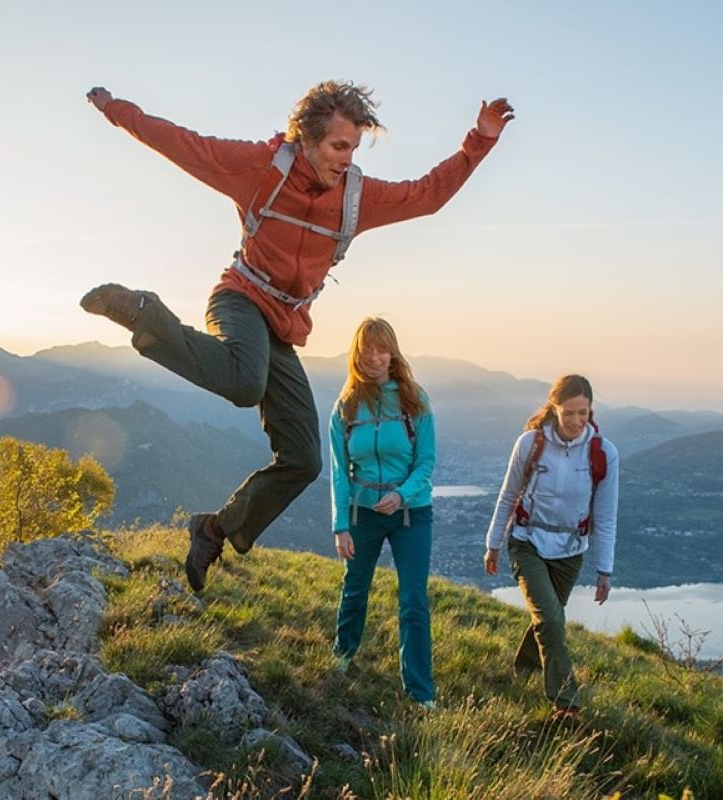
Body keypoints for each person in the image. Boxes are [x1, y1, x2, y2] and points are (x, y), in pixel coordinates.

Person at [80, 81, 514, 592]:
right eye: (338, 147)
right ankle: (144, 313)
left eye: (353, 147)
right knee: (244, 383)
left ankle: (214, 529)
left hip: (282, 324)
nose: (347, 159)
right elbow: (180, 142)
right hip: (240, 297)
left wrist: (478, 142)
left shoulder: (356, 196)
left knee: (305, 459)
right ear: (304, 139)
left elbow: (426, 196)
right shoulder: (260, 170)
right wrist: (115, 110)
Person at [484, 375, 620, 719]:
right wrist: (494, 544)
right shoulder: (531, 443)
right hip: (527, 542)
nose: (576, 421)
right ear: (555, 408)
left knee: (550, 618)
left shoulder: (603, 453)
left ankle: (525, 668)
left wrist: (605, 570)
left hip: (570, 551)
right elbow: (508, 494)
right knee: (551, 621)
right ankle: (566, 702)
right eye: (569, 413)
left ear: (591, 411)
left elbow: (605, 515)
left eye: (583, 413)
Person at [328, 318, 437, 709]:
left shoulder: (415, 401)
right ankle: (343, 654)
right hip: (363, 512)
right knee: (355, 587)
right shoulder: (346, 407)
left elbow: (426, 462)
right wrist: (341, 525)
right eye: (367, 350)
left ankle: (421, 692)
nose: (375, 357)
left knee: (413, 600)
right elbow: (341, 472)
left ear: (393, 353)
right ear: (357, 354)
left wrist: (402, 494)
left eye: (382, 349)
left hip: (411, 513)